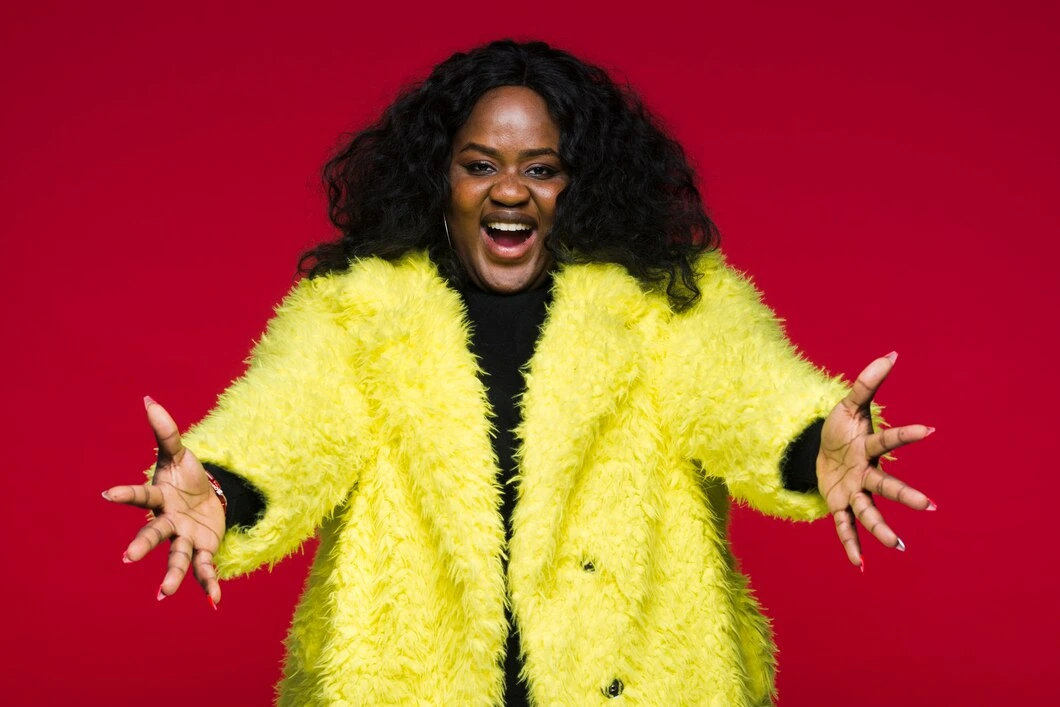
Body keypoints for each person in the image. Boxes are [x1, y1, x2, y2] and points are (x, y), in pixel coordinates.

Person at [103, 40, 935, 706]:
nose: (510, 190)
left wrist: (810, 442)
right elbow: (288, 419)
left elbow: (746, 391)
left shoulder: (666, 304)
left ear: (579, 183)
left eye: (541, 167)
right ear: (443, 180)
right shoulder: (357, 312)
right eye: (479, 164)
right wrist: (222, 487)